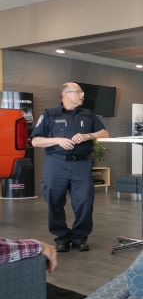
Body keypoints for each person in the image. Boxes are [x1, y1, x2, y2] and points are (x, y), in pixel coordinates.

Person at [31, 82, 109, 252]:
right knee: (54, 200)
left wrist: (87, 136)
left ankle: (80, 237)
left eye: (82, 92)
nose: (82, 95)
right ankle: (61, 238)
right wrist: (57, 140)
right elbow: (35, 141)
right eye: (79, 92)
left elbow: (104, 133)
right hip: (55, 163)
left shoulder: (88, 114)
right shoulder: (49, 115)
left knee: (84, 201)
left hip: (81, 164)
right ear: (65, 94)